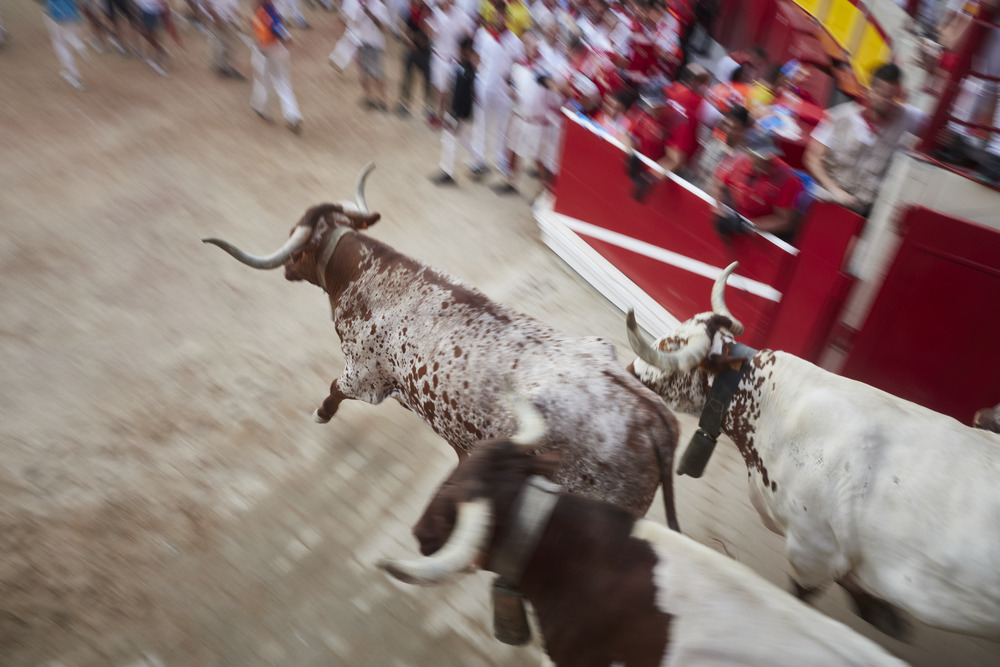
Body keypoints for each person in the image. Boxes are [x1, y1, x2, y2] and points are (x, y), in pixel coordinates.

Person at [804, 63, 929, 216]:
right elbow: (812, 157)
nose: (887, 101)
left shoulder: (906, 117)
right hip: (828, 200)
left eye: (892, 97)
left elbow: (937, 127)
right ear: (870, 91)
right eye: (882, 94)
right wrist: (835, 190)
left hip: (865, 211)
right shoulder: (840, 116)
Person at [711, 129, 804, 243]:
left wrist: (747, 227)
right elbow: (718, 185)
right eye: (759, 155)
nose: (765, 160)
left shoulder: (787, 180)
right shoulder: (737, 161)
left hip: (766, 236)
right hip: (739, 218)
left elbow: (785, 221)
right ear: (748, 152)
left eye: (768, 155)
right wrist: (720, 211)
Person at [469, 5, 525, 178]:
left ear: (507, 18)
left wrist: (511, 82)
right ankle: (479, 159)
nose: (499, 19)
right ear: (493, 17)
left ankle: (501, 160)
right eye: (496, 16)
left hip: (503, 89)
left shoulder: (515, 40)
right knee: (481, 123)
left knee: (502, 126)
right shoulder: (483, 35)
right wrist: (478, 75)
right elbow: (475, 55)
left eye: (502, 16)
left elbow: (519, 64)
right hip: (484, 85)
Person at [430, 36, 478, 185]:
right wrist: (443, 111)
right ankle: (479, 162)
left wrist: (456, 117)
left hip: (459, 113)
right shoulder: (459, 67)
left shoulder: (469, 72)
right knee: (461, 139)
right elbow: (450, 90)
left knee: (450, 140)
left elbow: (466, 98)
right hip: (454, 111)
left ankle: (448, 172)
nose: (462, 53)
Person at [250, 0, 303, 133]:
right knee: (282, 83)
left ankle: (264, 110)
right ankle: (292, 115)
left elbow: (273, 26)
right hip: (276, 50)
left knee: (263, 81)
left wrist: (285, 36)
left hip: (263, 50)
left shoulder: (264, 10)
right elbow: (276, 26)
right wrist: (286, 37)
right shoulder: (270, 8)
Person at [427, 0, 475, 127]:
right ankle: (439, 114)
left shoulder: (461, 15)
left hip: (454, 59)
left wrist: (464, 53)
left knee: (453, 91)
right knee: (440, 89)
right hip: (439, 56)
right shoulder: (436, 13)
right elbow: (430, 34)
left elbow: (470, 34)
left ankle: (448, 116)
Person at [343, 0, 390, 110]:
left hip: (374, 44)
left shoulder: (379, 6)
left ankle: (383, 101)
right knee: (363, 73)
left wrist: (369, 13)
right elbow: (353, 22)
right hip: (361, 42)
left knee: (377, 74)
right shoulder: (358, 5)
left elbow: (383, 27)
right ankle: (369, 99)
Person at [690, 103, 750, 189]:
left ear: (742, 130)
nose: (727, 130)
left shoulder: (742, 158)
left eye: (733, 128)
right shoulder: (713, 140)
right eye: (726, 124)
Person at [397, 0, 434, 118]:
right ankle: (404, 105)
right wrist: (408, 40)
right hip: (412, 49)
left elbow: (430, 32)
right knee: (407, 77)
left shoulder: (428, 12)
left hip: (424, 50)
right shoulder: (410, 12)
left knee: (427, 80)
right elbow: (402, 28)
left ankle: (429, 106)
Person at [40, 0, 88, 90]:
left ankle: (74, 75)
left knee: (59, 43)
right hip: (72, 13)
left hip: (55, 15)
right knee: (67, 36)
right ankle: (75, 42)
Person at [205, 0, 245, 79]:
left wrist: (237, 17)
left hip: (226, 19)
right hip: (221, 19)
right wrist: (216, 18)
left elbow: (230, 5)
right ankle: (222, 67)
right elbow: (206, 3)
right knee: (223, 43)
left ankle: (222, 66)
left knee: (227, 44)